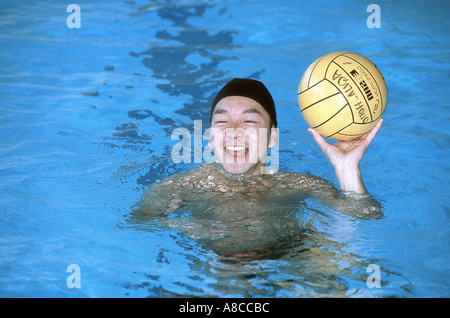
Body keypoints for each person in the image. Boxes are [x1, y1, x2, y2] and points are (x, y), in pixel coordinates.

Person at [133, 78, 383, 220]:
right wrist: (187, 228)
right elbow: (139, 227)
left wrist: (347, 169)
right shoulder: (178, 187)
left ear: (272, 137)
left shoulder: (300, 186)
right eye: (222, 121)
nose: (234, 130)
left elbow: (365, 218)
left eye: (249, 120)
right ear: (210, 138)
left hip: (286, 262)